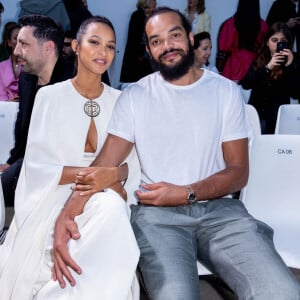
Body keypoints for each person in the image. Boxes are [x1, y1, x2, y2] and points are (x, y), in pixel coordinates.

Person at [51, 7, 300, 300]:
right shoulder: (135, 96)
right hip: (157, 219)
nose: (167, 46)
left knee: (282, 291)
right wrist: (65, 216)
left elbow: (238, 172)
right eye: (156, 41)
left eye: (175, 35)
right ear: (148, 50)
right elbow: (104, 163)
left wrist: (185, 193)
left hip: (221, 213)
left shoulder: (224, 92)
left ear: (190, 37)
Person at [0, 16, 140, 299]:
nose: (103, 52)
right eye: (94, 42)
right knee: (111, 208)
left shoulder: (122, 101)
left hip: (108, 192)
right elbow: (38, 166)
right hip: (55, 194)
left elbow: (132, 164)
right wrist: (100, 175)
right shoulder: (49, 97)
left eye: (111, 47)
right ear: (75, 46)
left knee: (112, 206)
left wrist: (111, 176)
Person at [0, 15, 75, 207]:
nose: (16, 51)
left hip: (63, 173)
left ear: (48, 48)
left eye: (24, 44)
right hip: (28, 165)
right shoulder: (27, 78)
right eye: (17, 43)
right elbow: (22, 125)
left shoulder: (75, 82)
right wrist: (13, 161)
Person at [240, 22, 300, 134]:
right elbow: (246, 83)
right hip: (258, 116)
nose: (278, 44)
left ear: (288, 43)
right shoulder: (260, 58)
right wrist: (267, 68)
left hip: (280, 118)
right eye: (274, 40)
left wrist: (289, 66)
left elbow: (296, 92)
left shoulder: (294, 60)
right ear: (267, 42)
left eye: (283, 41)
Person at [217, 0, 269, 81]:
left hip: (233, 66)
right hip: (254, 66)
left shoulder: (231, 23)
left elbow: (224, 46)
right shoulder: (263, 25)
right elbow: (265, 48)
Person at [119, 0, 156, 85]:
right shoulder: (137, 15)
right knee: (136, 82)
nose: (154, 8)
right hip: (137, 55)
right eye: (152, 6)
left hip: (148, 54)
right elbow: (134, 37)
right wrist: (139, 54)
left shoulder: (153, 17)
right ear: (146, 5)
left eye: (154, 6)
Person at [0, 24, 21, 101]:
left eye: (22, 39)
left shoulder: (31, 66)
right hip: (5, 108)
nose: (19, 42)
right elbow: (1, 95)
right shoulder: (1, 67)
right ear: (9, 42)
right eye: (16, 38)